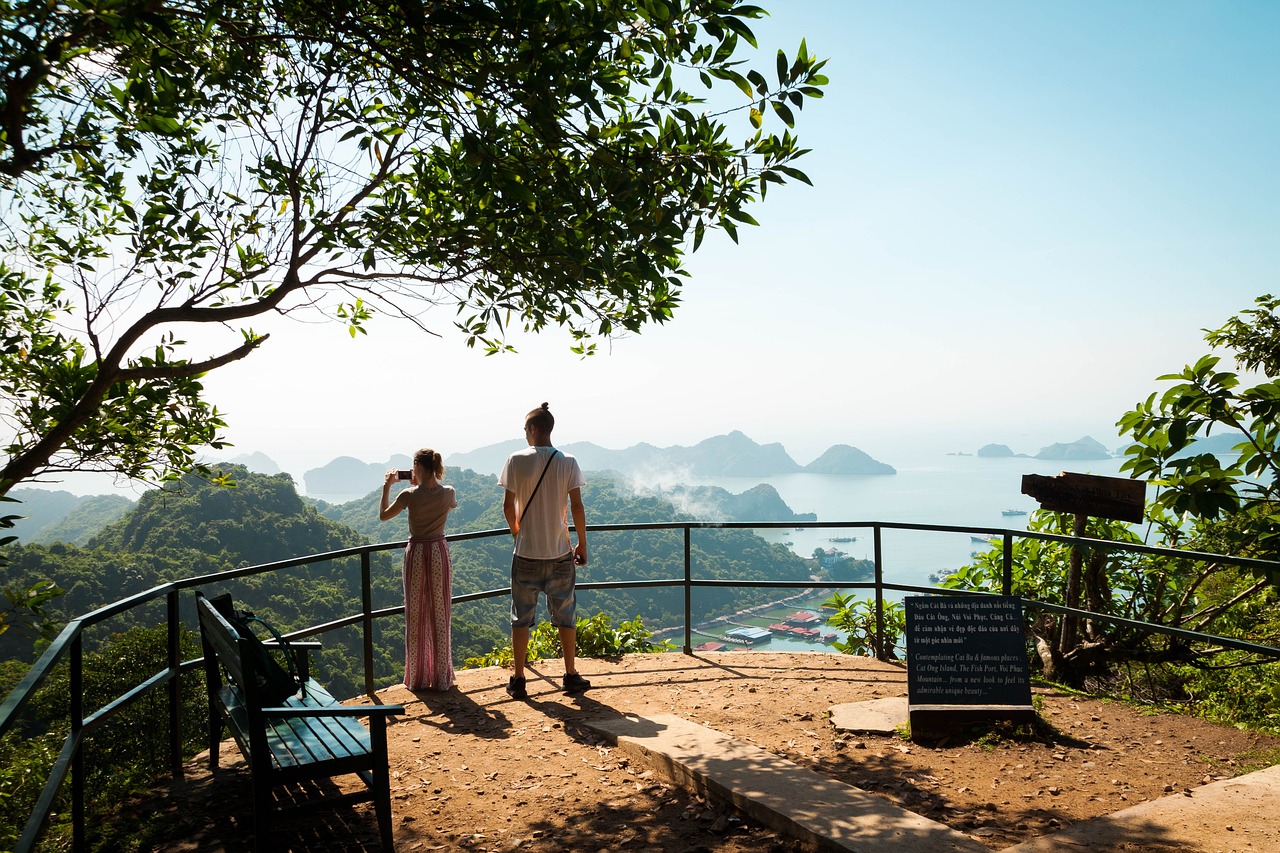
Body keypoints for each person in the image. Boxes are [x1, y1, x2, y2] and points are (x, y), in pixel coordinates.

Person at [499, 402, 590, 698]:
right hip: (560, 554)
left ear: (534, 429)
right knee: (566, 616)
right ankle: (570, 675)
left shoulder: (515, 460)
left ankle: (519, 678)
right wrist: (582, 544)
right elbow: (576, 506)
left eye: (526, 428)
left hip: (525, 554)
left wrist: (519, 535)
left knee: (521, 617)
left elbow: (507, 507)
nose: (524, 433)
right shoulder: (569, 461)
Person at [380, 448, 457, 692]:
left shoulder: (408, 495)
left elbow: (383, 516)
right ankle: (441, 678)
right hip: (438, 551)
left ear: (417, 466)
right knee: (440, 612)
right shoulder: (449, 492)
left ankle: (418, 678)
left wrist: (387, 487)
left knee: (416, 614)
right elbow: (449, 503)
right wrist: (424, 481)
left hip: (415, 554)